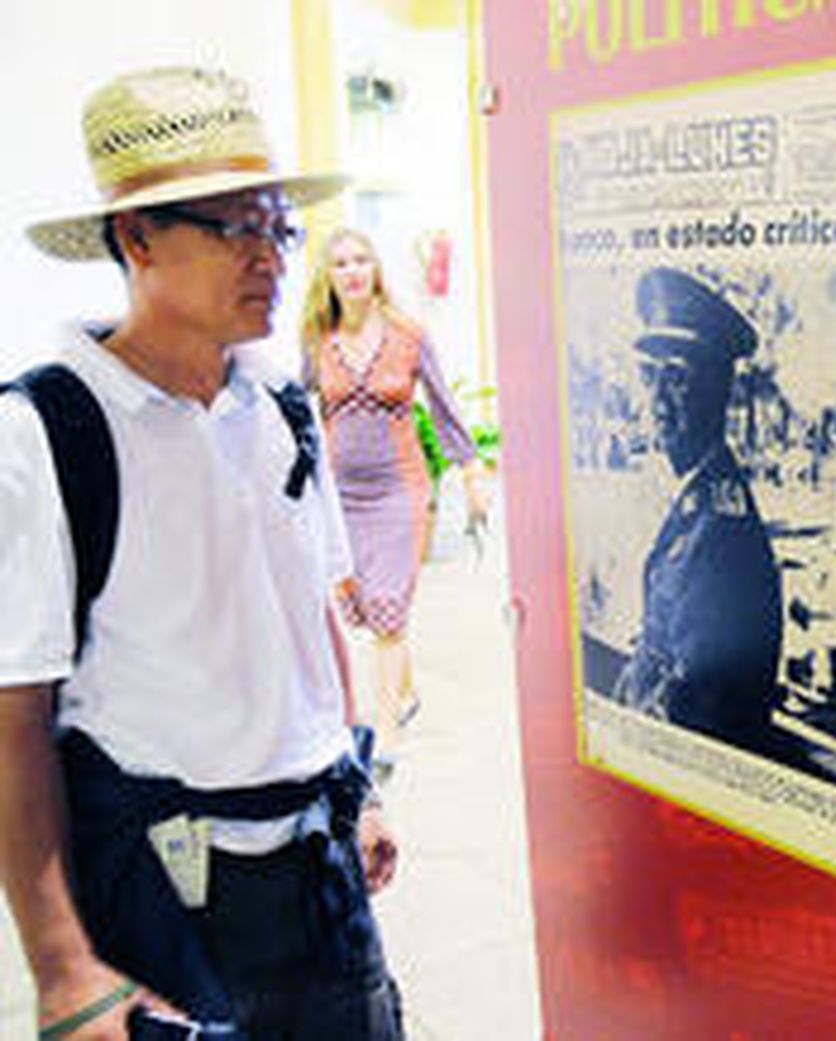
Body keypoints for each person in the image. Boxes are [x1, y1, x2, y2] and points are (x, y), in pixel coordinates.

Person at [0, 68, 403, 1039]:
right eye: (236, 229)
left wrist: (356, 789)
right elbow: (16, 712)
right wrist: (62, 969)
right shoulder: (44, 432)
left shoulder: (279, 406)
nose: (269, 257)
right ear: (136, 239)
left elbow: (313, 618)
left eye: (279, 229)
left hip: (322, 879)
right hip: (167, 896)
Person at [301, 227, 488, 769]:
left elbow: (444, 405)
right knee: (364, 606)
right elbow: (295, 410)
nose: (354, 270)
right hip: (342, 496)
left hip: (400, 491)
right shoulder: (317, 338)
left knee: (387, 610)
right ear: (328, 276)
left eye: (363, 259)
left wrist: (472, 469)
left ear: (376, 269)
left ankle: (383, 734)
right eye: (341, 263)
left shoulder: (408, 334)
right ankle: (404, 693)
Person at [610, 267, 783, 758]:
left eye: (678, 380)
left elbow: (700, 713)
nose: (658, 401)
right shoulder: (695, 498)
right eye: (651, 377)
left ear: (718, 392)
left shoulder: (720, 535)